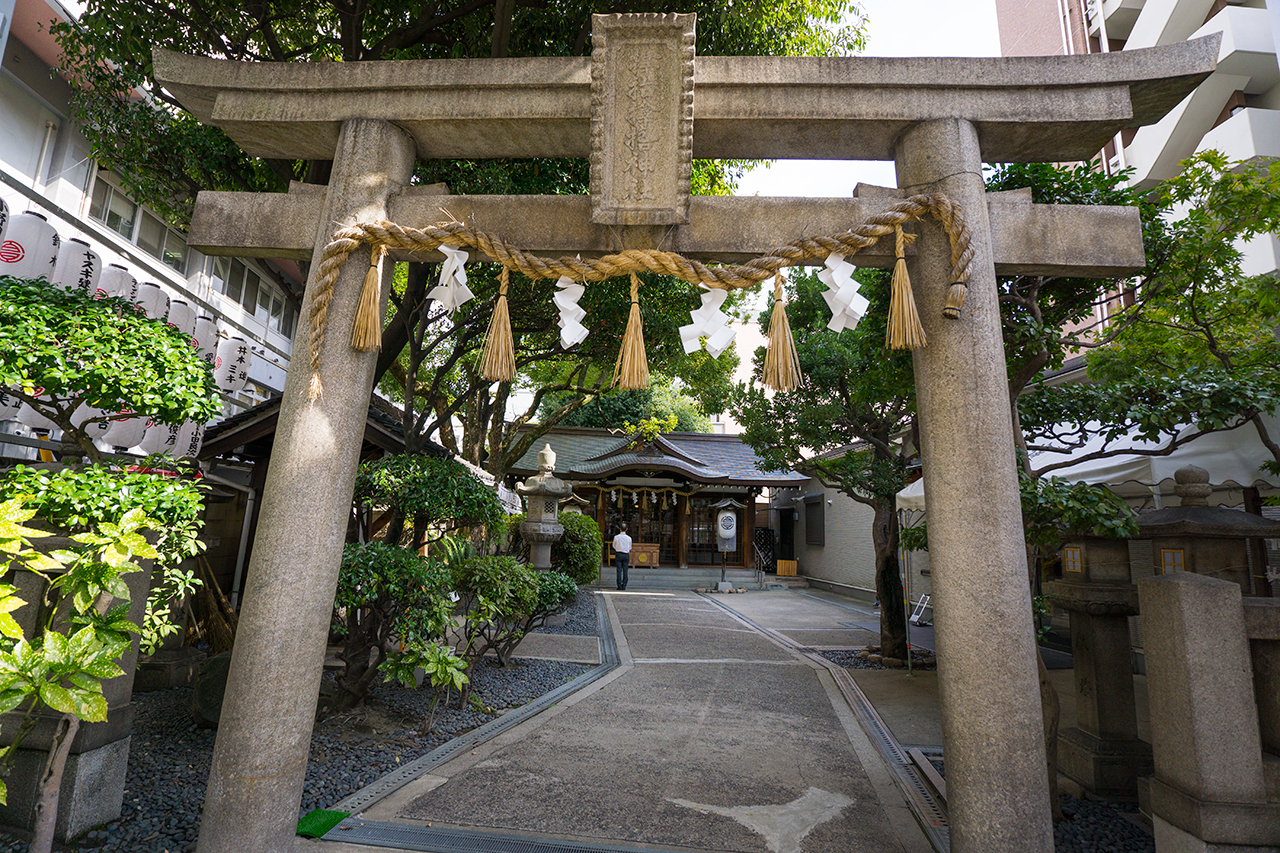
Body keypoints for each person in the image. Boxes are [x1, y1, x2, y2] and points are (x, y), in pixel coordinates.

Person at [612, 522, 632, 591]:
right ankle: (624, 585)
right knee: (625, 570)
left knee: (619, 570)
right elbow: (630, 547)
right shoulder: (629, 538)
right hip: (626, 554)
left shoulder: (616, 537)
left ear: (620, 529)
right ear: (626, 529)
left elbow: (614, 546)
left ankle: (619, 585)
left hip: (619, 553)